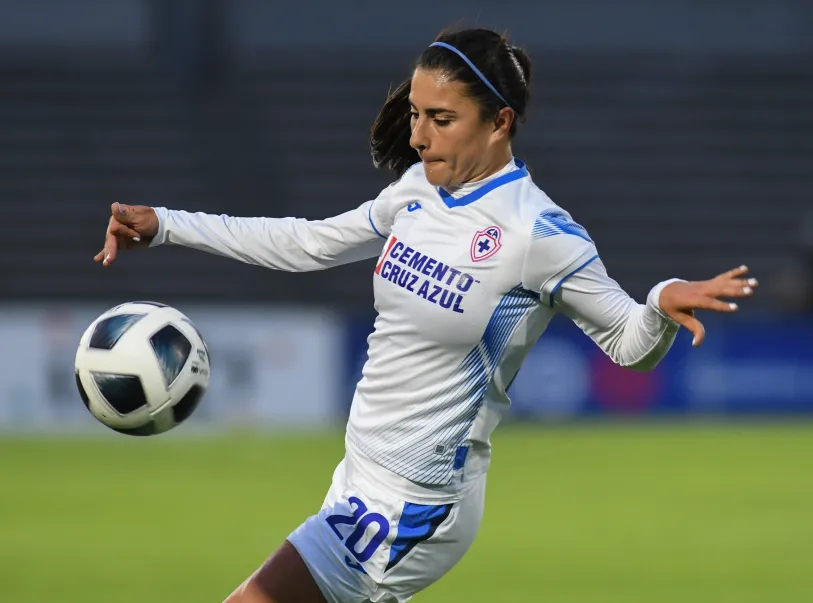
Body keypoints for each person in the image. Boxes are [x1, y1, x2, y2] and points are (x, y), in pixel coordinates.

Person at [94, 27, 758, 603]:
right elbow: (306, 242)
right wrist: (169, 224)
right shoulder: (414, 193)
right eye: (414, 114)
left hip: (416, 504)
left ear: (498, 122)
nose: (416, 137)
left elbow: (627, 344)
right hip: (356, 475)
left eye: (440, 119)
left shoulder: (538, 234)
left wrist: (659, 302)